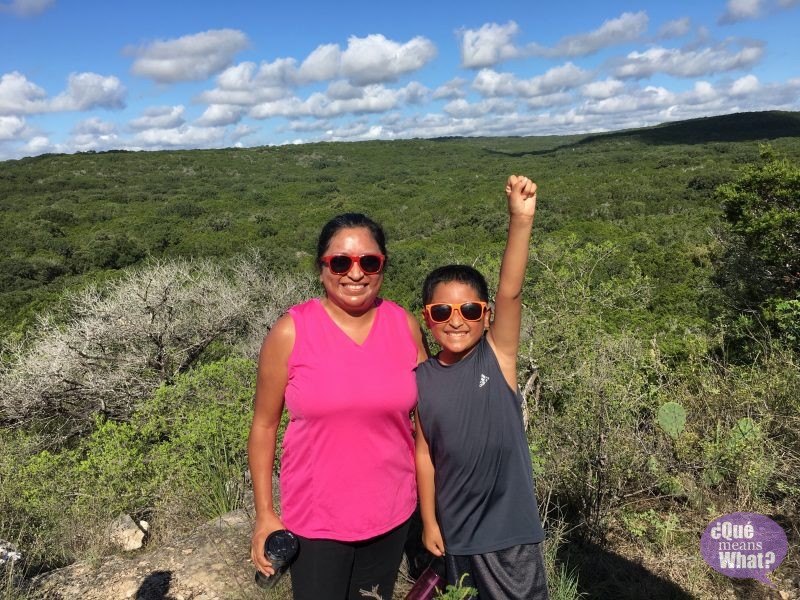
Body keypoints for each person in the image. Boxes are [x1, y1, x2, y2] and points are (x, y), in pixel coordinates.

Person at [248, 213, 428, 600]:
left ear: (383, 266)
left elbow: (426, 425)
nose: (355, 273)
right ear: (322, 268)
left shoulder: (405, 326)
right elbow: (264, 427)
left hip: (392, 515)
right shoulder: (290, 332)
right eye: (341, 262)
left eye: (369, 261)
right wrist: (265, 514)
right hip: (316, 522)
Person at [415, 175, 548, 599]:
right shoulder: (420, 379)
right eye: (443, 310)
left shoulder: (497, 356)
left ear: (487, 315)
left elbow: (511, 291)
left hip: (510, 532)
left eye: (470, 309)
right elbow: (424, 452)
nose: (457, 319)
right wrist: (430, 521)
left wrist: (519, 220)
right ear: (427, 318)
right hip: (456, 535)